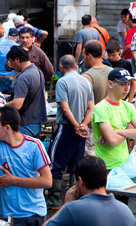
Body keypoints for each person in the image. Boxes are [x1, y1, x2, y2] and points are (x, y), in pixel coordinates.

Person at [45, 55, 94, 209]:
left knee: (55, 164)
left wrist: (74, 125)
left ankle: (53, 200)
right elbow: (91, 107)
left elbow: (65, 109)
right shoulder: (86, 81)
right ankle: (75, 197)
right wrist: (83, 125)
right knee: (76, 166)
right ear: (75, 65)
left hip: (67, 128)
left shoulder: (62, 81)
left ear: (61, 66)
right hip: (81, 130)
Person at [92, 68, 136, 171]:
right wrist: (129, 130)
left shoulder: (128, 107)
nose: (126, 88)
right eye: (122, 84)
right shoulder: (101, 108)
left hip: (125, 165)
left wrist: (119, 131)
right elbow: (112, 140)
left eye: (128, 84)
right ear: (110, 84)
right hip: (106, 167)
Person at [5, 45, 46, 138]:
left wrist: (2, 104)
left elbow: (17, 104)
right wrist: (6, 97)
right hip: (36, 122)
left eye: (11, 63)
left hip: (25, 124)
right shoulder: (38, 72)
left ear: (17, 60)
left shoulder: (23, 77)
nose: (12, 67)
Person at [0, 28, 19, 95]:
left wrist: (1, 66)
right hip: (13, 77)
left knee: (2, 98)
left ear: (8, 35)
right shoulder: (18, 47)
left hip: (1, 77)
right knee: (12, 99)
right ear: (18, 37)